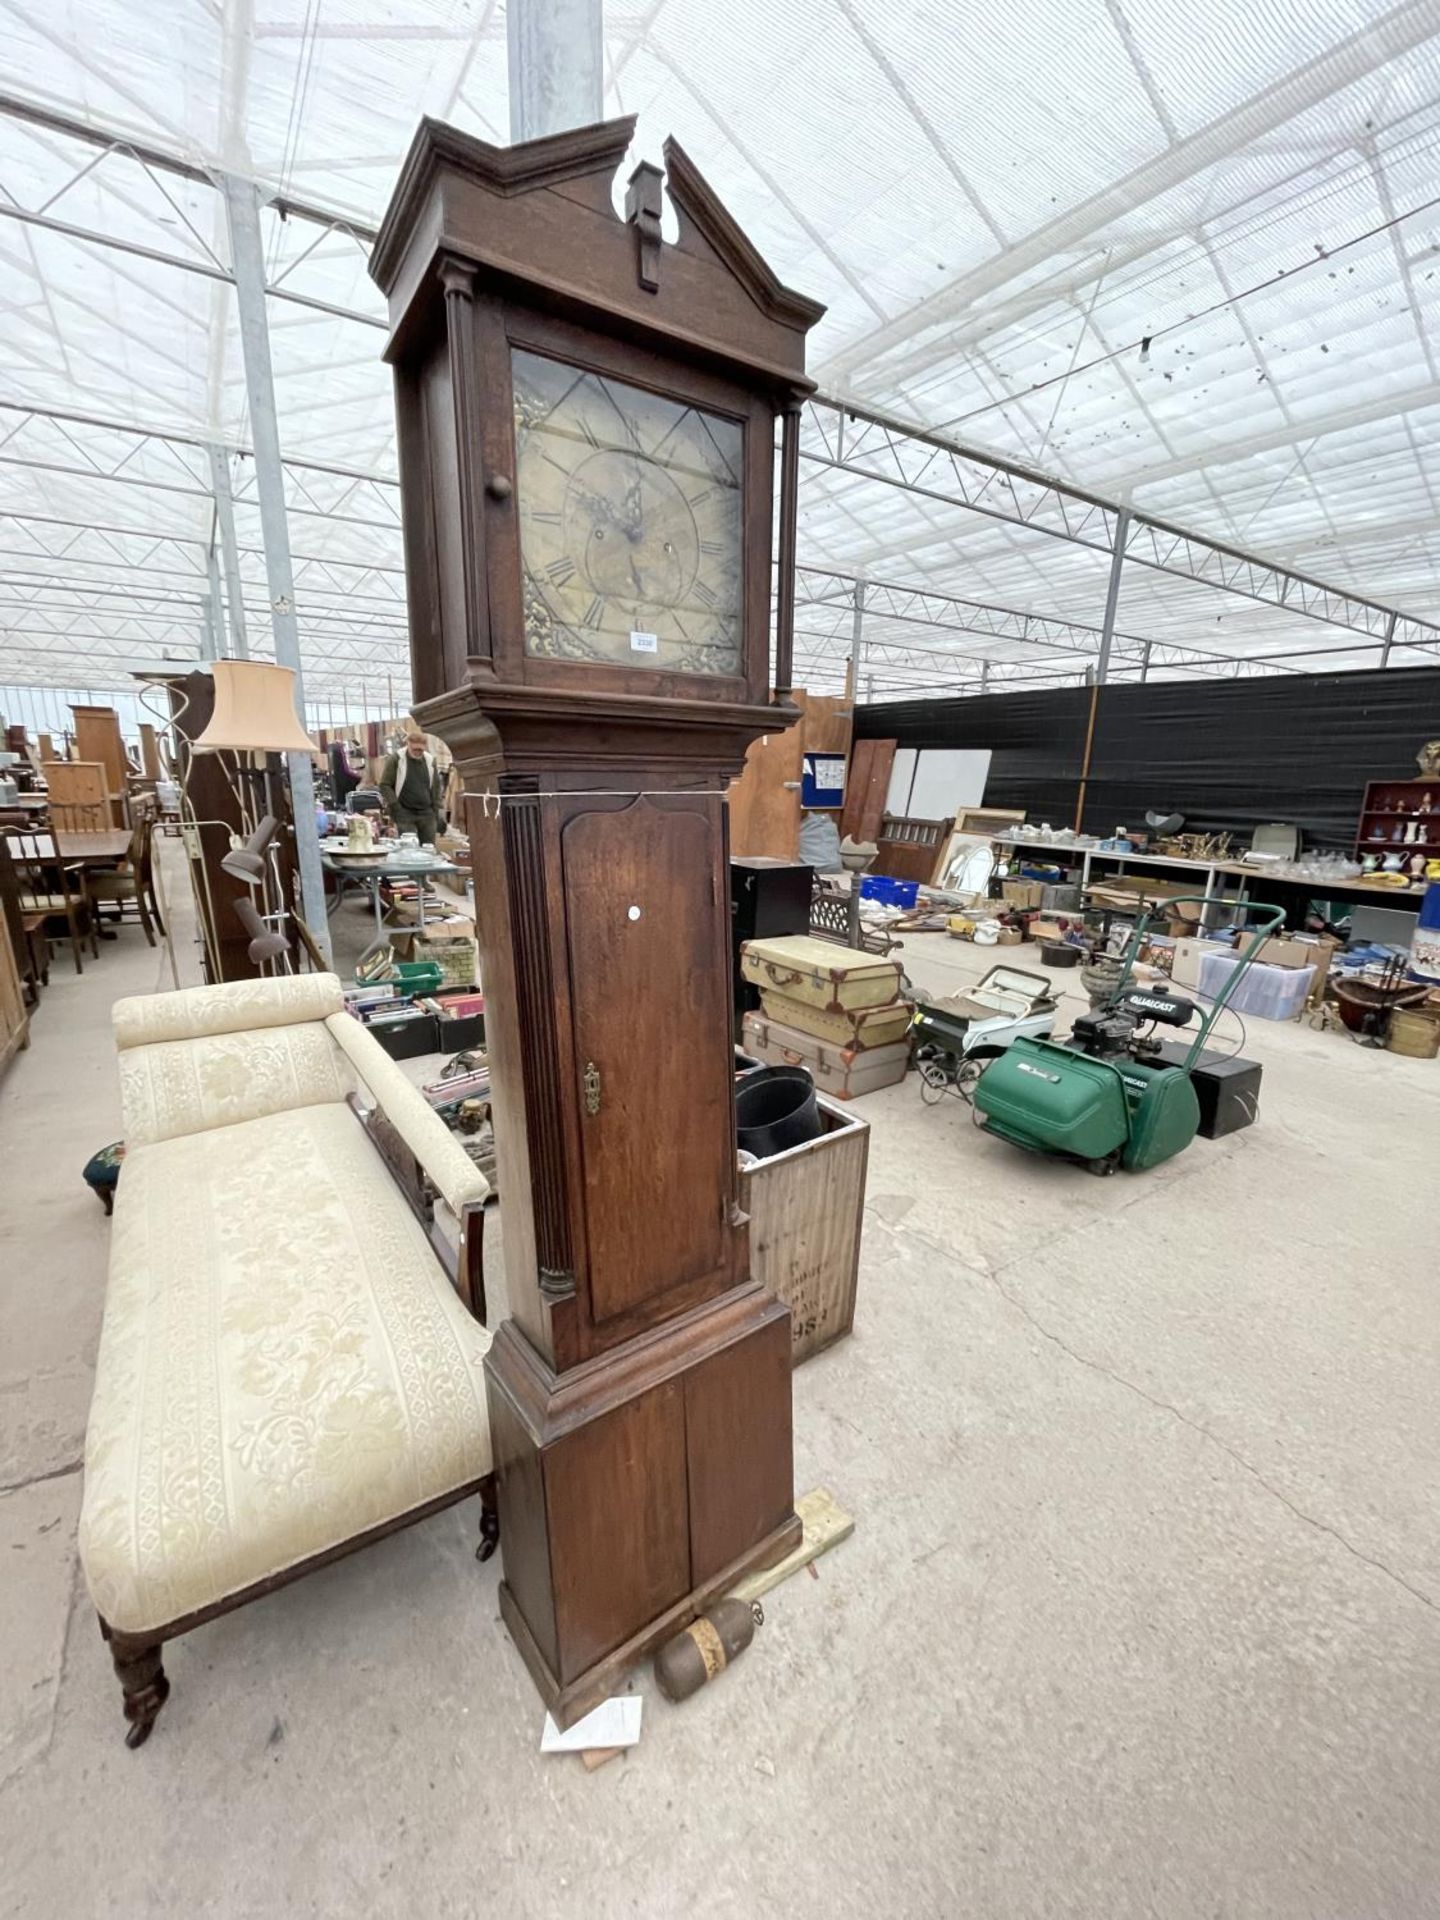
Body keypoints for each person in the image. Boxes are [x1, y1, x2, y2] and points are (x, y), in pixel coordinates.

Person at [378, 728, 446, 844]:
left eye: (421, 749)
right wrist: (396, 806)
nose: (418, 752)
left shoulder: (430, 760)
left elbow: (435, 786)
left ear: (425, 746)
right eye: (415, 749)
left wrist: (437, 809)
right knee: (409, 848)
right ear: (408, 744)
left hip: (427, 812)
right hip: (405, 812)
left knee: (428, 848)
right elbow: (384, 785)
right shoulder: (396, 759)